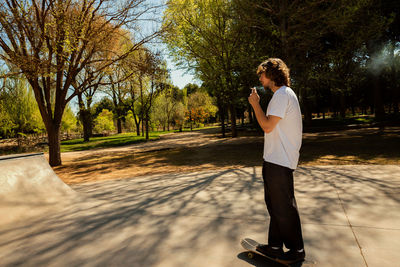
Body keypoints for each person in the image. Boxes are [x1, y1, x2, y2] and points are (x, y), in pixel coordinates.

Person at [248, 58, 305, 264]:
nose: (260, 78)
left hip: (279, 161)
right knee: (276, 206)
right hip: (275, 159)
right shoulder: (282, 95)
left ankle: (297, 250)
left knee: (283, 207)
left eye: (262, 74)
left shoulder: (281, 95)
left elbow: (267, 126)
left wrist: (255, 105)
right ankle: (274, 246)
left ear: (272, 75)